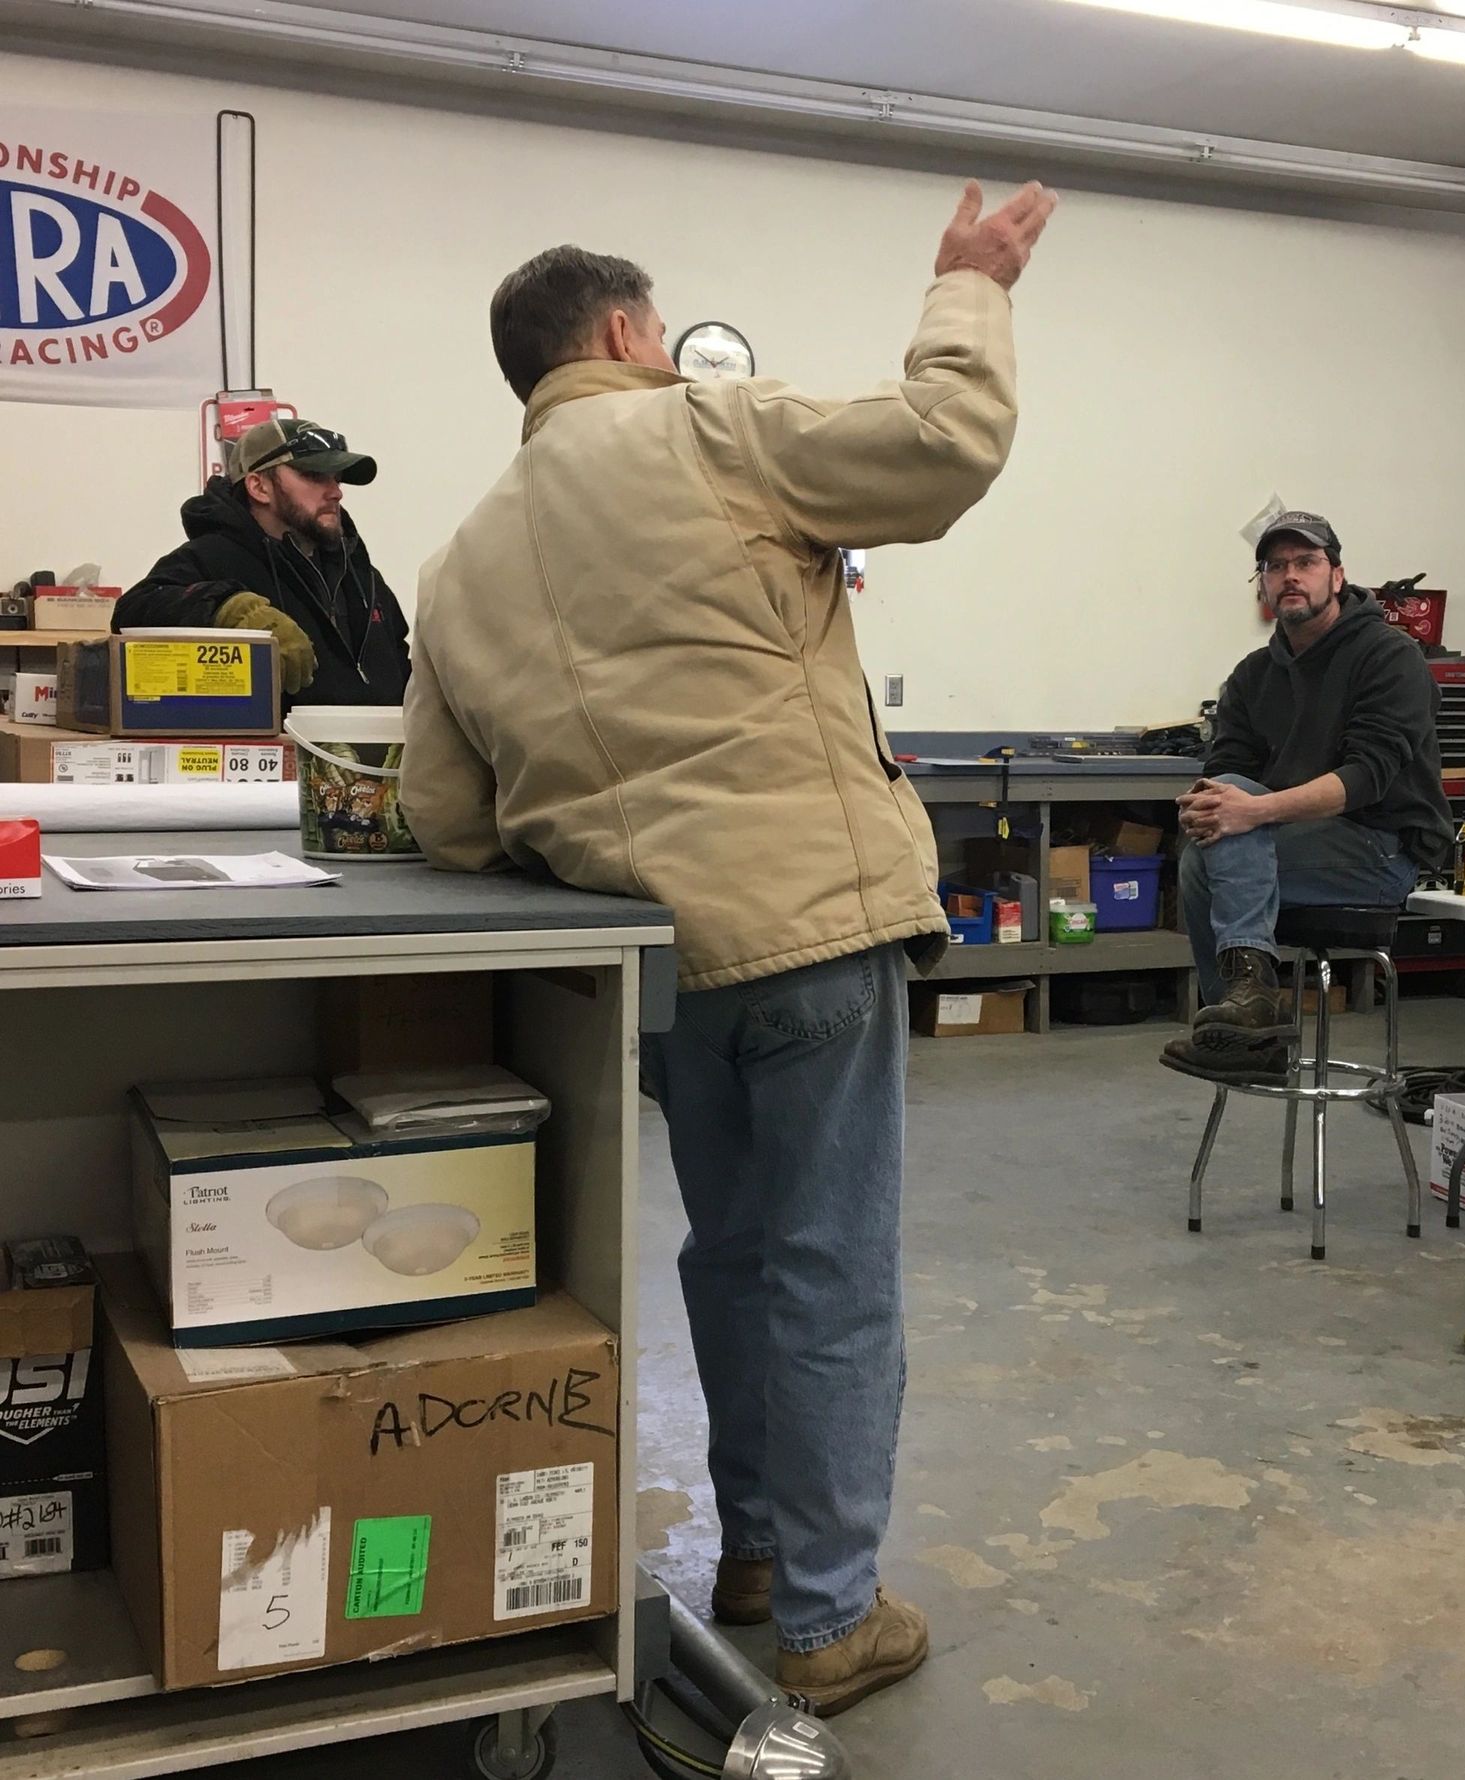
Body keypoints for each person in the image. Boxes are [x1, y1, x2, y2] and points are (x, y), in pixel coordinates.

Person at [399, 180, 1056, 1712]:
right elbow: (944, 448)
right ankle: (829, 1620)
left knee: (737, 1250)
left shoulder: (461, 559)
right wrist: (968, 289)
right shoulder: (708, 424)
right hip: (811, 927)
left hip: (656, 963)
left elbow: (444, 815)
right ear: (631, 333)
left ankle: (757, 1553)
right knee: (832, 1269)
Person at [1162, 510, 1454, 1084]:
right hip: (1290, 848)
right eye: (1275, 566)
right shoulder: (1251, 675)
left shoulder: (1389, 656)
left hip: (1379, 852)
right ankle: (1246, 1020)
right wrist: (1205, 802)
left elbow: (1368, 775)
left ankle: (1248, 1023)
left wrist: (1254, 809)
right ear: (1264, 586)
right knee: (1206, 839)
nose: (1289, 575)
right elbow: (1226, 774)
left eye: (1305, 563)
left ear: (1337, 576)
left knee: (1219, 839)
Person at [117, 417, 410, 711]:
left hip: (378, 755)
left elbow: (403, 669)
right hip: (281, 753)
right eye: (314, 475)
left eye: (336, 477)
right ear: (259, 486)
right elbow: (134, 609)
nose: (336, 491)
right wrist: (229, 608)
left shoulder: (360, 574)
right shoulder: (215, 557)